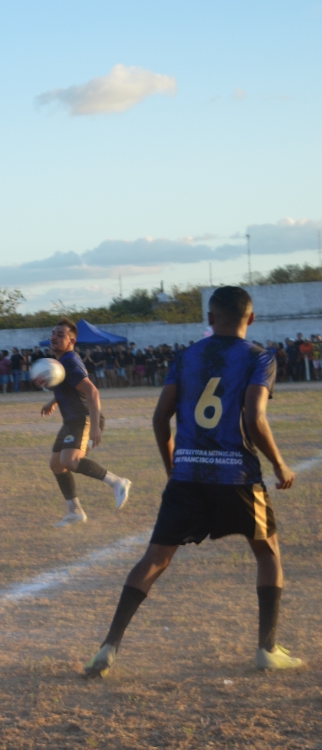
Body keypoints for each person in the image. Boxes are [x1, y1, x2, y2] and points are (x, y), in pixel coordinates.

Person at [86, 287, 302, 677]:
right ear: (251, 318)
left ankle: (109, 645)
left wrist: (174, 468)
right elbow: (254, 418)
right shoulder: (259, 357)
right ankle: (267, 649)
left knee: (155, 559)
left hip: (187, 475)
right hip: (236, 474)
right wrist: (280, 464)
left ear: (210, 318)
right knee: (267, 553)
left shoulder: (185, 356)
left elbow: (159, 418)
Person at [43, 319, 131, 527]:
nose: (54, 337)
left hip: (84, 419)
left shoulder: (70, 363)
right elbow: (70, 387)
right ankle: (75, 511)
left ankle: (117, 482)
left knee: (70, 461)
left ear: (71, 341)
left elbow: (92, 392)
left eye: (60, 335)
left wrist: (94, 427)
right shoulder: (63, 361)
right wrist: (53, 401)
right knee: (56, 464)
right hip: (71, 420)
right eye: (53, 333)